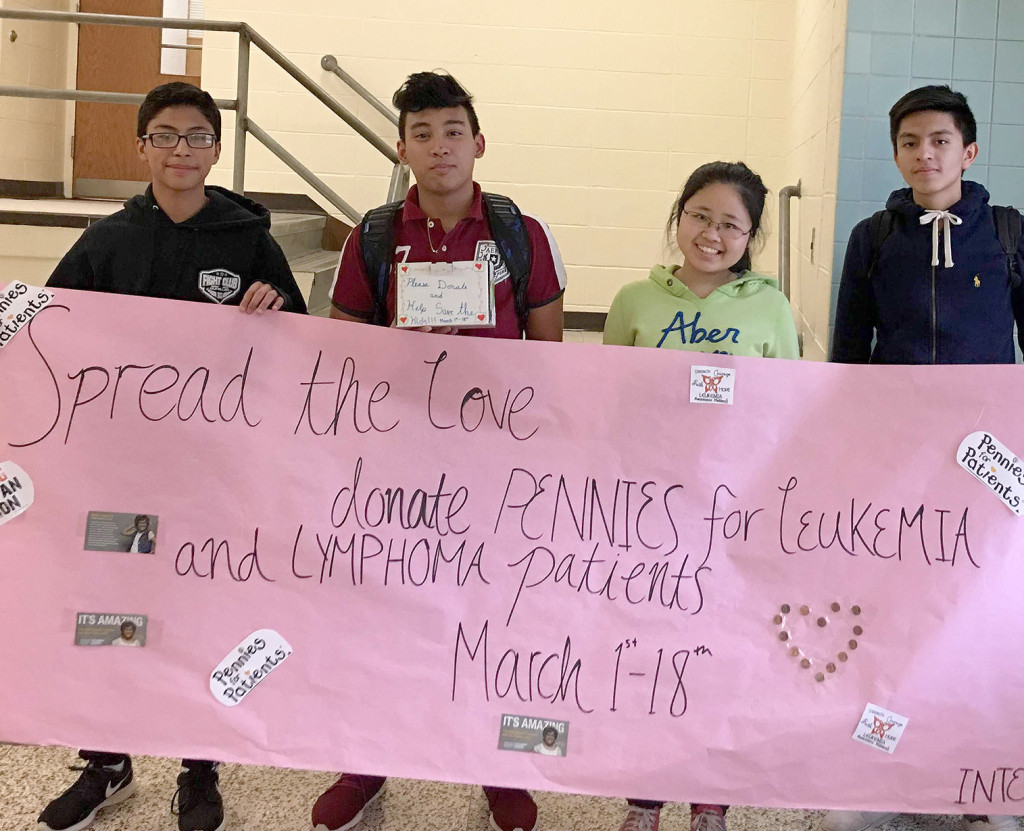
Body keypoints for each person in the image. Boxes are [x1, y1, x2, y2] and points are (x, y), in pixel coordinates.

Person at [38, 81, 307, 831]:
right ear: (142, 146)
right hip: (121, 474)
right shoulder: (108, 239)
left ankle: (199, 760)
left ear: (217, 148)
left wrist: (272, 306)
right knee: (110, 610)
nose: (181, 150)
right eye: (165, 136)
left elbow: (301, 341)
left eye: (196, 136)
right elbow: (54, 331)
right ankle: (106, 759)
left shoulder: (249, 239)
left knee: (200, 610)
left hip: (214, 476)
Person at [314, 70, 566, 831]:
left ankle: (496, 765)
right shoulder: (377, 235)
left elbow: (549, 353)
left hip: (494, 463)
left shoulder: (520, 234)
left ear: (477, 141)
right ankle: (367, 759)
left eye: (452, 130)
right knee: (387, 612)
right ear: (402, 147)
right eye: (421, 133)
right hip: (400, 462)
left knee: (495, 613)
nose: (438, 145)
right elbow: (345, 348)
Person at [828, 85, 1022, 831]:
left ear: (968, 151)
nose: (924, 153)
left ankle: (972, 780)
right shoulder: (875, 236)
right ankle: (886, 772)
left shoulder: (1007, 233)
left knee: (977, 615)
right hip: (897, 465)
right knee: (895, 609)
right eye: (910, 141)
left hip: (988, 468)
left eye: (939, 140)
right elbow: (849, 354)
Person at [604, 161, 797, 831]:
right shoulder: (635, 301)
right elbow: (610, 401)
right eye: (700, 216)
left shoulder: (771, 308)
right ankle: (645, 794)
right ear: (678, 216)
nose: (712, 234)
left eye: (731, 225)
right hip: (650, 513)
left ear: (751, 236)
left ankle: (709, 797)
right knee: (650, 652)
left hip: (731, 515)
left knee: (716, 652)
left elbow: (786, 413)